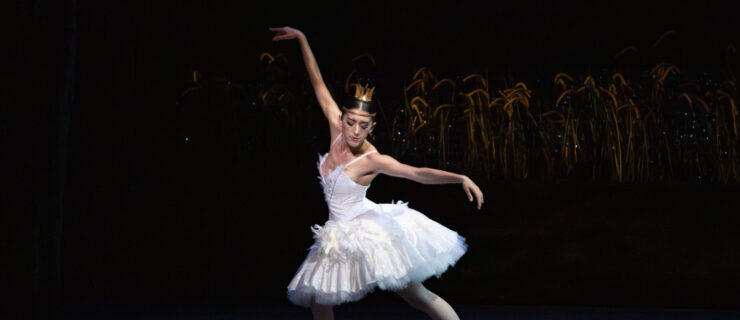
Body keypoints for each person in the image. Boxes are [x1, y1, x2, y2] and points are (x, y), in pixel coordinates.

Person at [271, 26, 484, 320]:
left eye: (363, 125)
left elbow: (417, 173)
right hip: (338, 231)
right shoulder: (336, 129)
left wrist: (460, 177)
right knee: (319, 300)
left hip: (369, 232)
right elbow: (317, 81)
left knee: (416, 294)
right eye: (351, 122)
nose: (355, 130)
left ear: (372, 127)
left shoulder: (373, 159)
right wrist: (302, 39)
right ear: (342, 119)